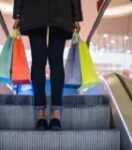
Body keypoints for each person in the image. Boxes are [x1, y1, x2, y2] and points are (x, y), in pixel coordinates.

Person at [13, 0, 83, 130]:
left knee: (48, 60)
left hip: (44, 8)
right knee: (44, 60)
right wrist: (75, 15)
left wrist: (18, 13)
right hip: (53, 9)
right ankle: (44, 114)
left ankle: (51, 114)